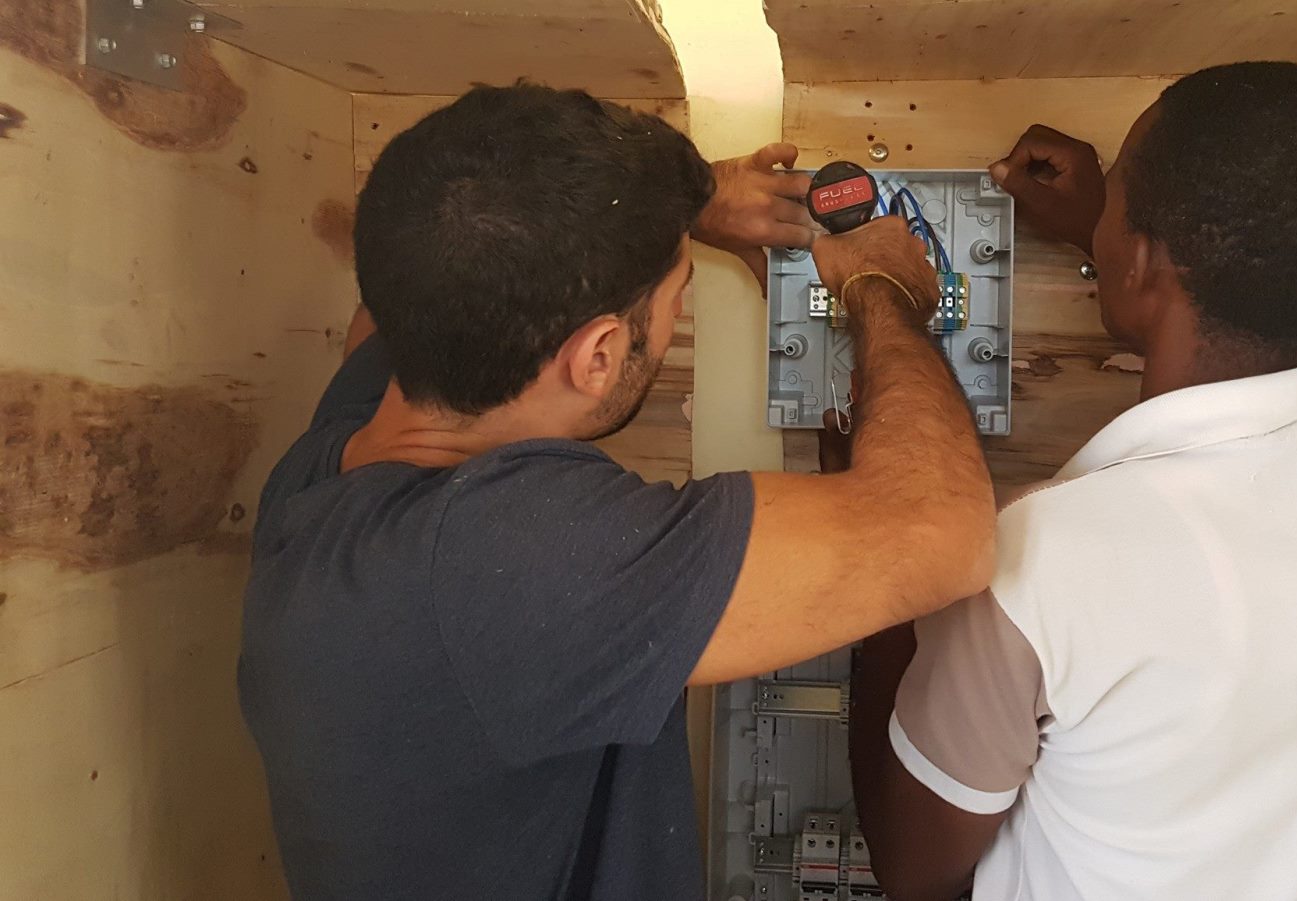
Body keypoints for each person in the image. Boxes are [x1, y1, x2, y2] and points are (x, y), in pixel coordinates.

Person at [236, 83, 996, 901]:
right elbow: (940, 531)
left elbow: (385, 313)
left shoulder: (330, 459)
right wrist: (880, 292)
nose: (676, 311)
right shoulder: (502, 565)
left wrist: (662, 216)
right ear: (597, 354)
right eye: (675, 300)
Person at [846, 62, 1297, 901]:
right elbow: (1249, 294)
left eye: (1118, 189)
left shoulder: (1038, 563)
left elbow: (910, 870)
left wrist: (893, 528)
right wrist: (1124, 240)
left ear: (1139, 262)